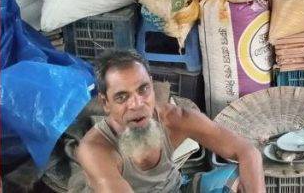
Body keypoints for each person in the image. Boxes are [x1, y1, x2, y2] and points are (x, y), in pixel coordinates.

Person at [76, 50, 265, 193]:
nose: (137, 104)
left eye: (143, 90)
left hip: (176, 189)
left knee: (241, 176)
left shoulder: (174, 119)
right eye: (122, 97)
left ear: (151, 85)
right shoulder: (95, 150)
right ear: (105, 102)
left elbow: (247, 152)